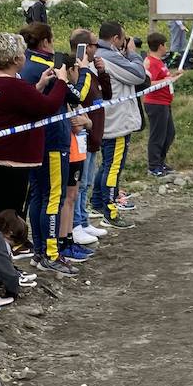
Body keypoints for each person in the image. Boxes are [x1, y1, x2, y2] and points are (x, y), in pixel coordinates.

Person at [0, 31, 67, 222]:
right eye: (23, 54)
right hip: (6, 159)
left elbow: (14, 102)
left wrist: (38, 86)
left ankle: (1, 244)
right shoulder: (13, 85)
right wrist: (62, 81)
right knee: (11, 211)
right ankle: (9, 245)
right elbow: (48, 107)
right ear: (15, 59)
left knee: (0, 207)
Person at [18, 23, 82, 275]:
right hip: (54, 139)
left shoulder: (24, 63)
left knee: (37, 195)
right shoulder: (50, 66)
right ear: (46, 41)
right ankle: (51, 254)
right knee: (53, 197)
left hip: (35, 140)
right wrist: (75, 76)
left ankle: (39, 251)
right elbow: (74, 96)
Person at [91, 21, 146, 229]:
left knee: (106, 165)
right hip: (117, 122)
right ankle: (110, 211)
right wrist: (132, 53)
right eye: (123, 39)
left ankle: (97, 202)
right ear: (115, 39)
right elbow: (140, 75)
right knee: (113, 167)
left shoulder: (98, 54)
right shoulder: (111, 57)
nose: (125, 42)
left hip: (106, 120)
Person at [67, 30, 110, 246]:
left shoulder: (90, 73)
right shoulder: (77, 71)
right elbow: (78, 97)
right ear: (85, 47)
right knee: (80, 183)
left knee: (88, 181)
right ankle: (76, 224)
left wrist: (102, 73)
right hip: (82, 134)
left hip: (94, 134)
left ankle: (83, 220)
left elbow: (106, 95)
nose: (97, 49)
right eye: (94, 45)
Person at [144, 32, 179, 176]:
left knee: (169, 133)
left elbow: (164, 77)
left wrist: (174, 75)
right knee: (157, 135)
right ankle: (153, 166)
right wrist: (168, 81)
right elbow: (148, 83)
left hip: (165, 102)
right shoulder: (150, 62)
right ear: (160, 46)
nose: (167, 48)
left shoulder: (159, 61)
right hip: (155, 103)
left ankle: (161, 162)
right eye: (165, 45)